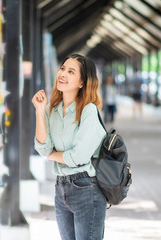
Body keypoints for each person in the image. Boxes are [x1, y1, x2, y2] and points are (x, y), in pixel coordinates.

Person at [32, 54, 107, 240]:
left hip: (87, 188)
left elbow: (79, 157)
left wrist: (51, 155)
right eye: (63, 68)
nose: (62, 74)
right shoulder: (52, 109)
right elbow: (42, 147)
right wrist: (40, 112)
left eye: (71, 71)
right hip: (61, 188)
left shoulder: (89, 110)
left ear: (82, 82)